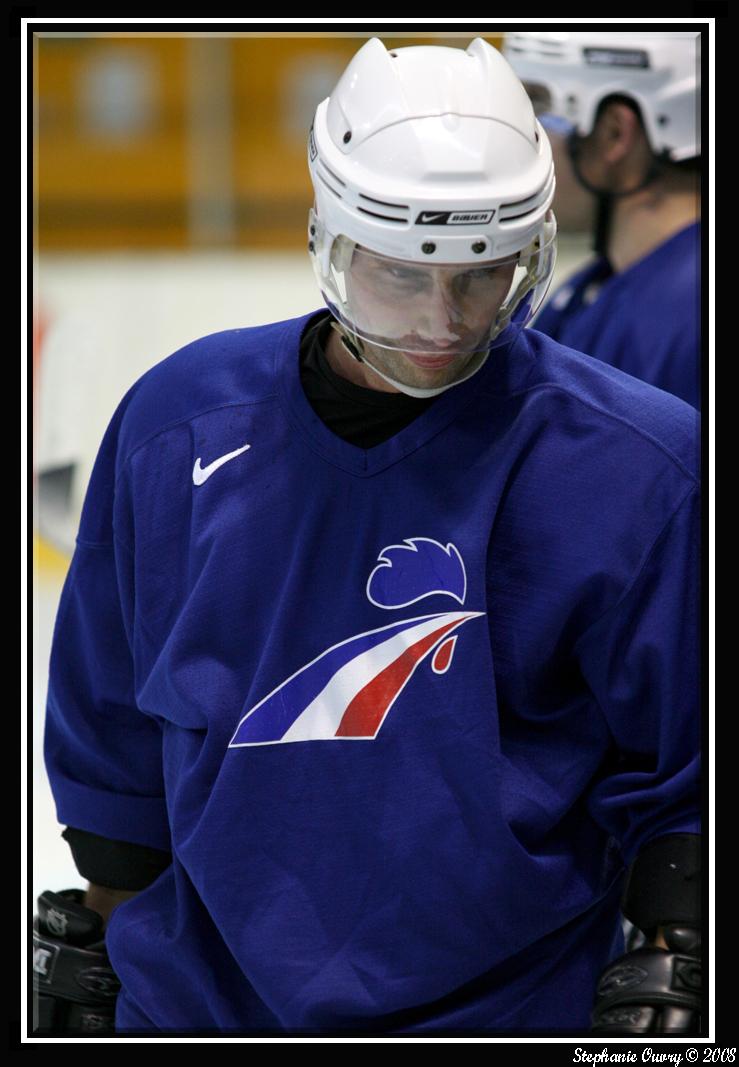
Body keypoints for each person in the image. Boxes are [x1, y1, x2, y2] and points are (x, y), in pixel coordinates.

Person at [36, 36, 701, 1036]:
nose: (440, 321)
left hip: (509, 1006)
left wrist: (676, 939)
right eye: (399, 275)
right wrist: (104, 915)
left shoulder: (636, 458)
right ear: (328, 239)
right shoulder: (179, 417)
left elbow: (677, 767)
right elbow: (112, 714)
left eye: (481, 276)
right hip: (200, 1002)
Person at [502, 31, 701, 411]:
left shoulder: (688, 315)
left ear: (614, 133)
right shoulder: (601, 282)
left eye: (535, 108)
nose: (517, 142)